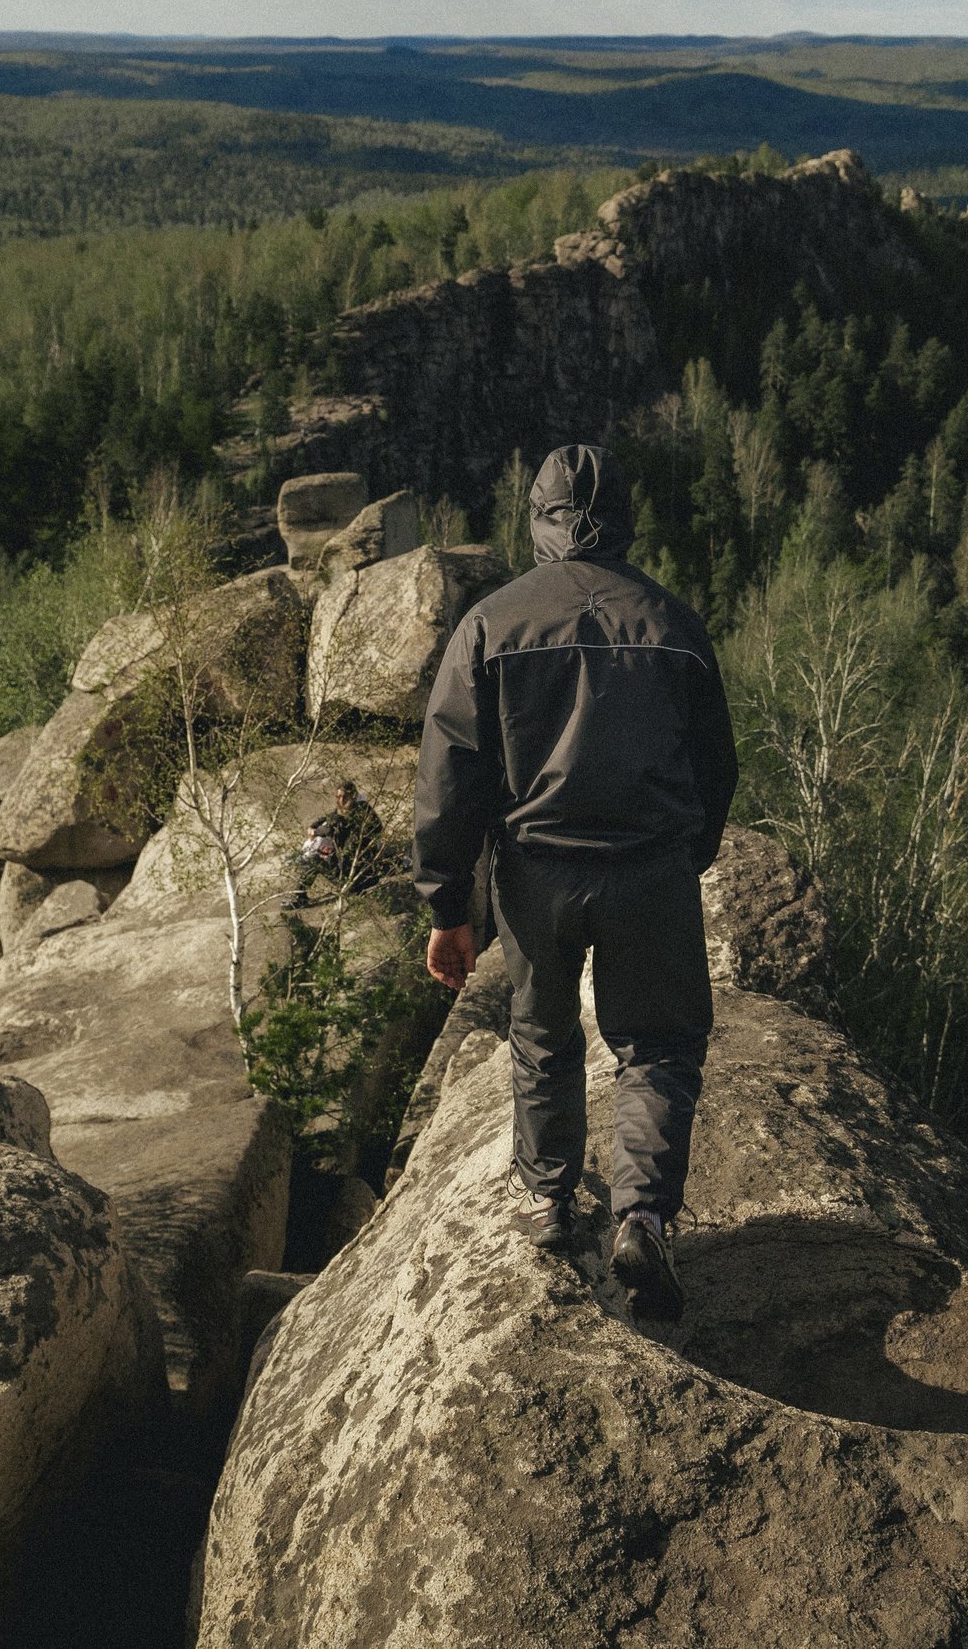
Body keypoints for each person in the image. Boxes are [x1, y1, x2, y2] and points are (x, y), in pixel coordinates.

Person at [413, 444, 736, 1323]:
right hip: (649, 873)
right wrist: (683, 859)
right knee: (658, 1047)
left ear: (538, 517)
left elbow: (450, 775)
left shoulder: (489, 622)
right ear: (624, 519)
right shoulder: (674, 624)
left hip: (535, 875)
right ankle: (640, 1218)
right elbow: (716, 767)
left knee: (542, 1036)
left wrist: (451, 904)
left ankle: (552, 1203)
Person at [285, 779, 384, 908]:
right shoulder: (357, 809)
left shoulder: (358, 813)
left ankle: (299, 897)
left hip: (354, 877)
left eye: (345, 797)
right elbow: (327, 818)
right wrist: (313, 826)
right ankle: (299, 896)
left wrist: (316, 832)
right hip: (354, 870)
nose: (341, 801)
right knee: (320, 855)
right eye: (338, 797)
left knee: (315, 859)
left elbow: (329, 827)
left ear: (353, 796)